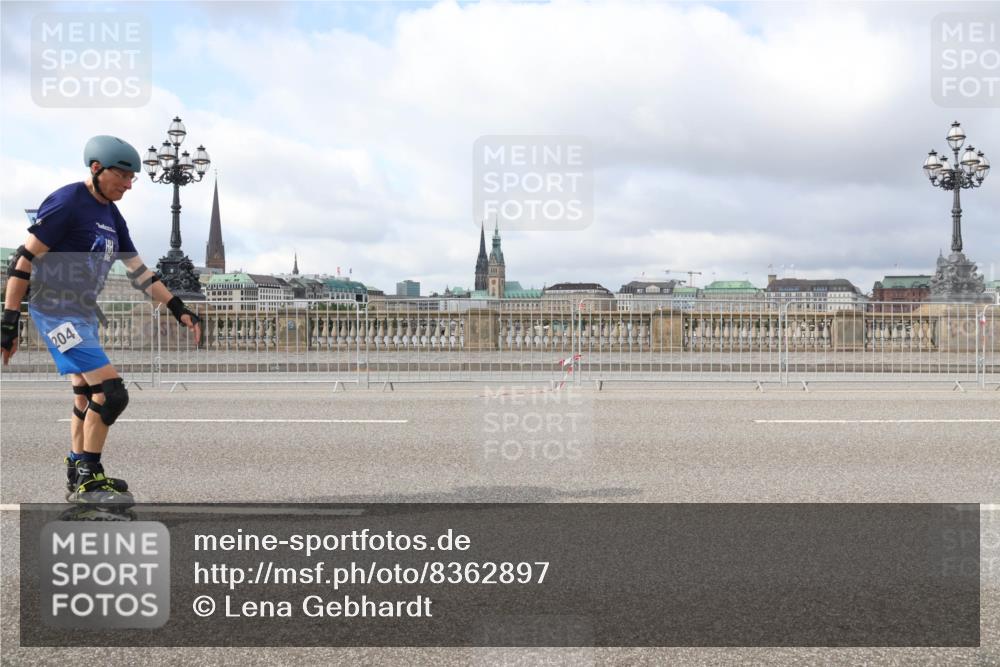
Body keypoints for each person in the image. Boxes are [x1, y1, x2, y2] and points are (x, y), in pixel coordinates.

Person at [1, 135, 202, 506]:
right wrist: (9, 320)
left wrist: (178, 308)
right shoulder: (67, 202)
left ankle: (77, 467)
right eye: (123, 176)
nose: (128, 184)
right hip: (56, 312)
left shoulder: (111, 214)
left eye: (133, 179)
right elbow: (23, 260)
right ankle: (90, 480)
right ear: (96, 169)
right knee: (111, 393)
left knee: (85, 392)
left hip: (82, 313)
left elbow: (140, 272)